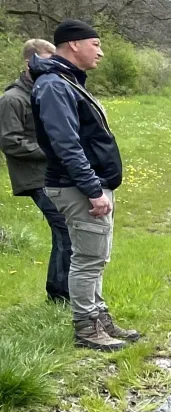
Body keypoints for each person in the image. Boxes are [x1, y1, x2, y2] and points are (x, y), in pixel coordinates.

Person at [31, 20, 140, 351]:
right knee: (87, 258)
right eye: (96, 44)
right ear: (74, 45)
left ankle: (99, 317)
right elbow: (66, 145)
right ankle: (86, 328)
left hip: (88, 184)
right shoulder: (53, 85)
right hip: (76, 187)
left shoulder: (67, 81)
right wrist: (92, 189)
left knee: (96, 256)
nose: (102, 52)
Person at [2, 39, 70, 306]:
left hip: (53, 174)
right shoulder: (12, 99)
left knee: (64, 230)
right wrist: (52, 149)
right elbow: (9, 141)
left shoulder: (44, 92)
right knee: (64, 228)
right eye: (45, 59)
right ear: (29, 61)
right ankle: (59, 295)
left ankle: (63, 292)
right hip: (33, 177)